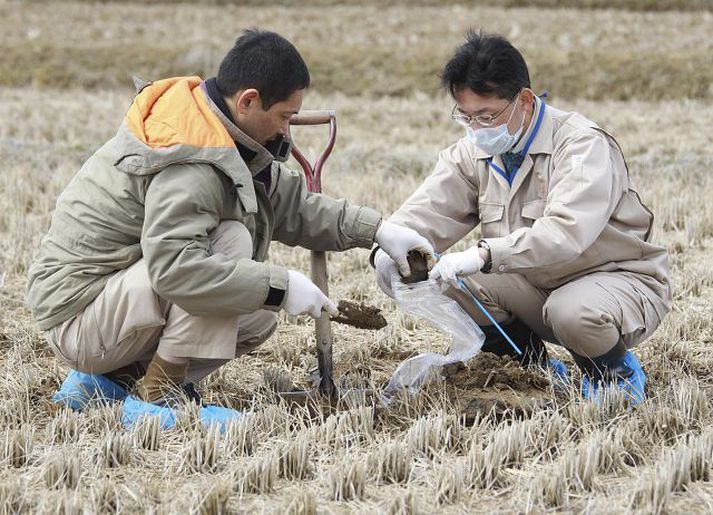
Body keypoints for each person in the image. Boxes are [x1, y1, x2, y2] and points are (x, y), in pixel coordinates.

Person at [27, 29, 432, 428]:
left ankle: (109, 380)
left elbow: (296, 206)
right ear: (248, 101)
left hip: (111, 304)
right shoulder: (192, 160)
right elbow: (177, 269)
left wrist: (379, 231)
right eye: (284, 117)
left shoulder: (223, 136)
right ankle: (158, 394)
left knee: (255, 316)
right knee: (230, 244)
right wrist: (281, 284)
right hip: (79, 318)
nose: (287, 131)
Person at [373, 30, 671, 404]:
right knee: (446, 279)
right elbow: (429, 208)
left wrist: (483, 255)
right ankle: (522, 367)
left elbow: (566, 232)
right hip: (534, 284)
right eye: (465, 117)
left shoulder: (580, 145)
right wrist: (390, 247)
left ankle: (613, 374)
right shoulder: (473, 151)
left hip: (614, 281)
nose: (476, 129)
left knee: (571, 311)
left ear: (525, 101)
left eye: (486, 115)